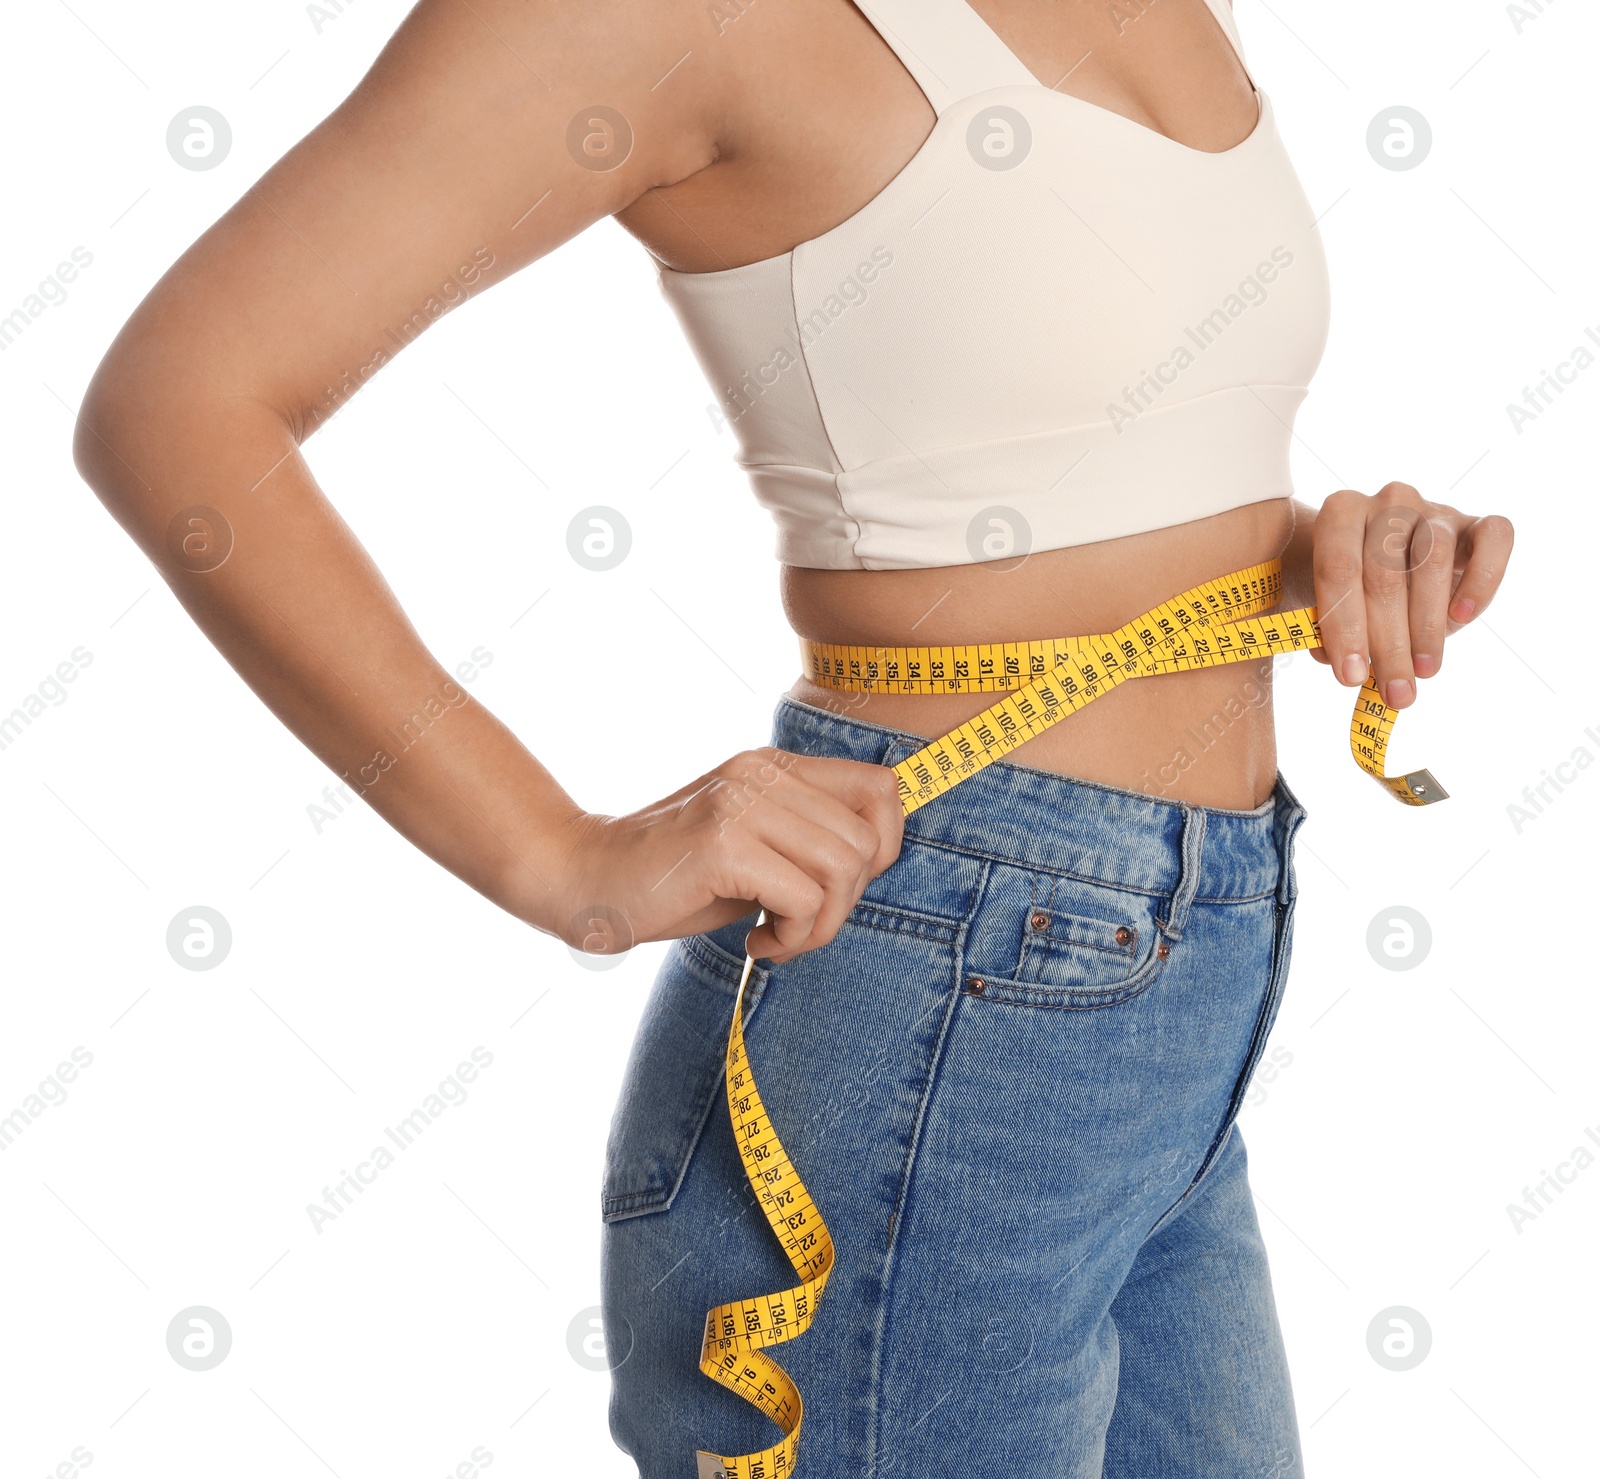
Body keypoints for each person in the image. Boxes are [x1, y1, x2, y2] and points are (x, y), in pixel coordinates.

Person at [72, 1, 1513, 1474]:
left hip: (1194, 981)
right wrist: (554, 852)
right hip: (938, 968)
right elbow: (176, 407)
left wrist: (1333, 555)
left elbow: (1069, 441)